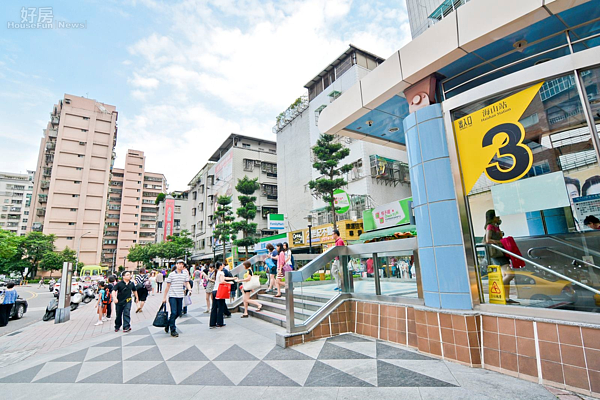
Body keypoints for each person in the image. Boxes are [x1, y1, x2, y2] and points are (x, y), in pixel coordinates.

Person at [483, 209, 518, 304]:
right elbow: (488, 240)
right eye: (497, 216)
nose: (498, 218)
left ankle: (506, 298)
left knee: (506, 275)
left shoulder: (496, 226)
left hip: (501, 252)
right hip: (497, 254)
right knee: (510, 274)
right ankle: (498, 288)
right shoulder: (490, 227)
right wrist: (500, 242)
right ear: (493, 217)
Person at [162, 260, 192, 337]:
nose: (181, 266)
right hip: (172, 296)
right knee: (174, 312)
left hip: (180, 296)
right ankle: (173, 330)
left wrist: (189, 289)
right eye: (179, 264)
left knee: (179, 312)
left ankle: (168, 323)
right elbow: (167, 286)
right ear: (176, 265)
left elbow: (186, 283)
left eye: (182, 264)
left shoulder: (184, 274)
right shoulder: (171, 274)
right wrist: (164, 297)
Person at [210, 262, 235, 328]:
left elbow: (224, 278)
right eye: (222, 265)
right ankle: (219, 322)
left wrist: (232, 278)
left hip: (214, 291)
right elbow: (222, 281)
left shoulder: (217, 272)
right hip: (220, 291)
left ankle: (212, 323)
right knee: (221, 307)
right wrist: (230, 282)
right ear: (220, 266)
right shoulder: (221, 272)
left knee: (214, 307)